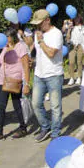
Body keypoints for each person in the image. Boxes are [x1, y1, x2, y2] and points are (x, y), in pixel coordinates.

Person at [0, 28, 30, 143]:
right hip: (2, 80)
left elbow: (26, 65)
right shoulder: (4, 47)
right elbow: (3, 62)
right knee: (0, 106)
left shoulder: (20, 46)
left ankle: (23, 128)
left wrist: (26, 83)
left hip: (15, 80)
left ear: (12, 37)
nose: (5, 39)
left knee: (17, 105)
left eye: (7, 37)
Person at [30, 9, 64, 142]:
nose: (38, 26)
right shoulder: (38, 34)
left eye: (40, 23)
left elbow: (51, 53)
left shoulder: (56, 34)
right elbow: (38, 53)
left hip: (54, 74)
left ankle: (55, 133)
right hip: (39, 74)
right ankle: (45, 126)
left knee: (55, 106)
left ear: (47, 20)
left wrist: (41, 41)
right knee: (36, 103)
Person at [66, 15, 84, 86]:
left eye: (77, 19)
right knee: (71, 62)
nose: (76, 20)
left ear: (80, 19)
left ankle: (79, 77)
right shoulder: (71, 27)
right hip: (72, 46)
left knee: (79, 62)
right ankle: (71, 77)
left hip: (80, 46)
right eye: (75, 19)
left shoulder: (83, 27)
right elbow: (67, 38)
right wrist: (69, 29)